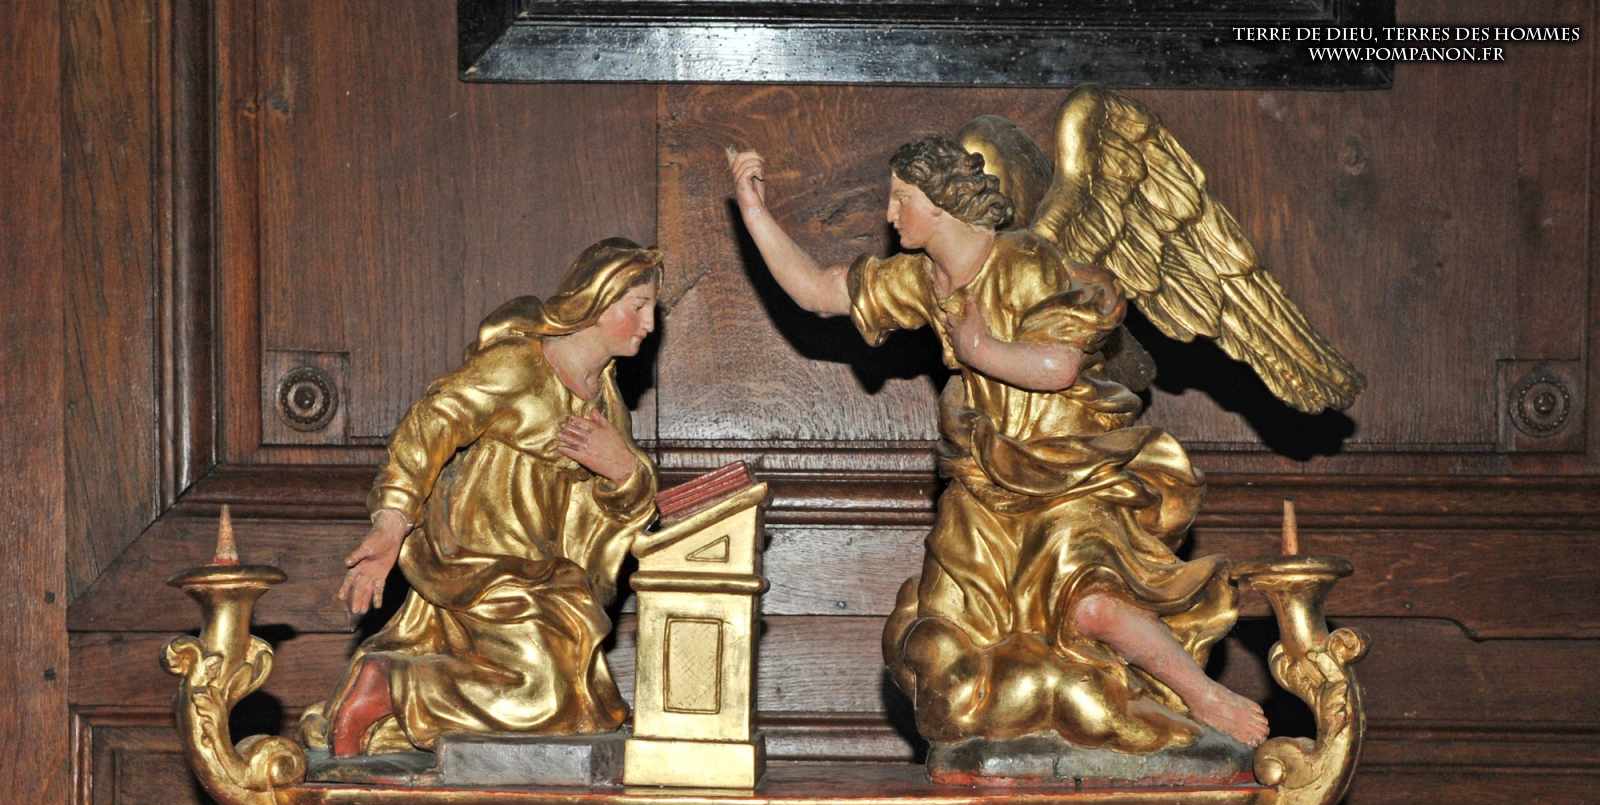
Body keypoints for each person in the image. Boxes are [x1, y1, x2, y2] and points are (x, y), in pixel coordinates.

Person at [728, 140, 1267, 755]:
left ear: (942, 202)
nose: (890, 214)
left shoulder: (1022, 260)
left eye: (902, 199)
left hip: (1062, 470)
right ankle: (1040, 711)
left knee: (1090, 608)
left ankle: (1203, 696)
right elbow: (818, 290)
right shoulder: (923, 277)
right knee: (943, 630)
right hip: (984, 482)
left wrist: (979, 349)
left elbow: (1059, 365)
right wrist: (754, 212)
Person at [303, 238, 662, 758]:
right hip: (480, 558)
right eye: (639, 306)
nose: (649, 323)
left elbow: (616, 508)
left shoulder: (606, 398)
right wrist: (391, 523)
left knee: (584, 706)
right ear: (597, 300)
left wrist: (623, 470)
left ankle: (400, 711)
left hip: (546, 569)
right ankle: (391, 687)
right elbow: (431, 425)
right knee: (544, 694)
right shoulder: (521, 364)